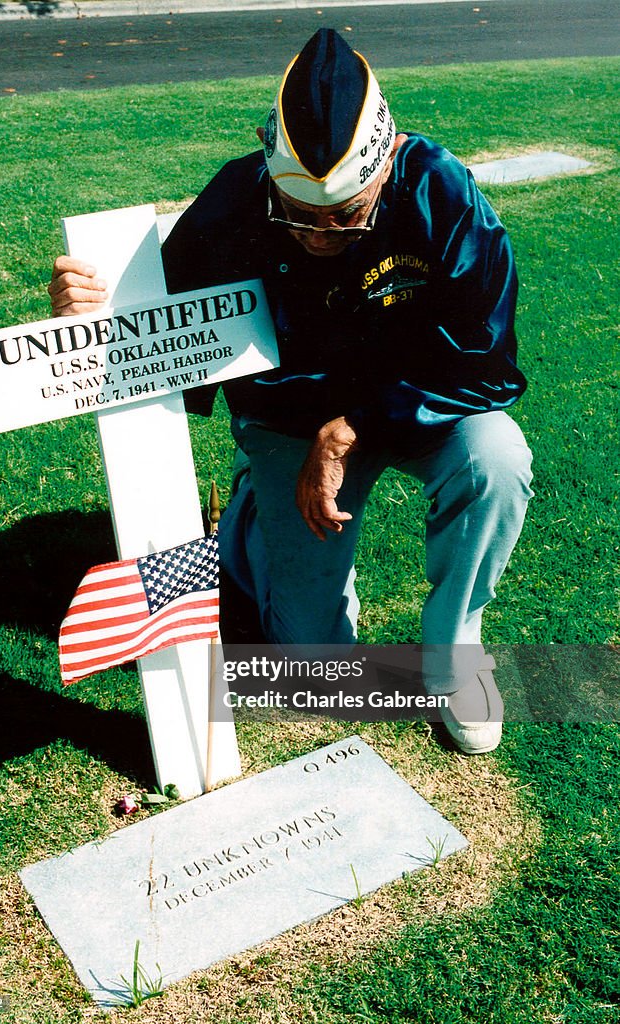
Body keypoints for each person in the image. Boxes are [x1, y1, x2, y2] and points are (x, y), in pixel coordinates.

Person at [48, 29, 533, 755]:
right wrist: (88, 304)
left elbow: (485, 362)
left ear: (389, 157)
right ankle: (249, 522)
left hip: (413, 403)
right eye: (298, 214)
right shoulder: (237, 193)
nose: (318, 235)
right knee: (319, 668)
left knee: (496, 455)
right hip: (287, 418)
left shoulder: (440, 188)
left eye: (346, 215)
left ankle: (454, 649)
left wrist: (353, 427)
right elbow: (156, 315)